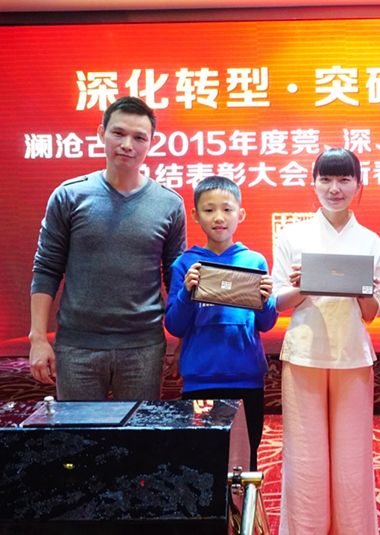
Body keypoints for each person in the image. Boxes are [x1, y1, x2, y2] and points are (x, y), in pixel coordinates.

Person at [29, 96, 187, 400]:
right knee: (79, 431)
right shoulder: (69, 196)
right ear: (101, 134)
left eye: (139, 137)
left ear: (151, 143)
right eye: (118, 133)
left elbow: (176, 280)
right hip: (77, 346)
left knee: (140, 430)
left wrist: (184, 338)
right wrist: (38, 338)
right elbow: (46, 269)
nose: (127, 144)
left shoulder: (169, 203)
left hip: (144, 346)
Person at [272, 148, 380, 535]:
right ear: (313, 183)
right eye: (326, 179)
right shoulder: (292, 235)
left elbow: (371, 312)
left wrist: (363, 288)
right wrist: (306, 284)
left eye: (343, 180)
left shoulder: (371, 242)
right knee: (304, 457)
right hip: (304, 352)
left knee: (353, 457)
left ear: (358, 184)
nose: (334, 188)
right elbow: (279, 302)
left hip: (352, 354)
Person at [164, 175, 278, 471]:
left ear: (241, 214)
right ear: (195, 215)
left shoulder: (253, 261)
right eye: (209, 210)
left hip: (246, 379)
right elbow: (174, 326)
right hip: (199, 380)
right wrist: (187, 293)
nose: (218, 217)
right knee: (201, 464)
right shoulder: (185, 264)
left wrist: (265, 301)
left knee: (245, 463)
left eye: (227, 209)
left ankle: (243, 505)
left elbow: (267, 323)